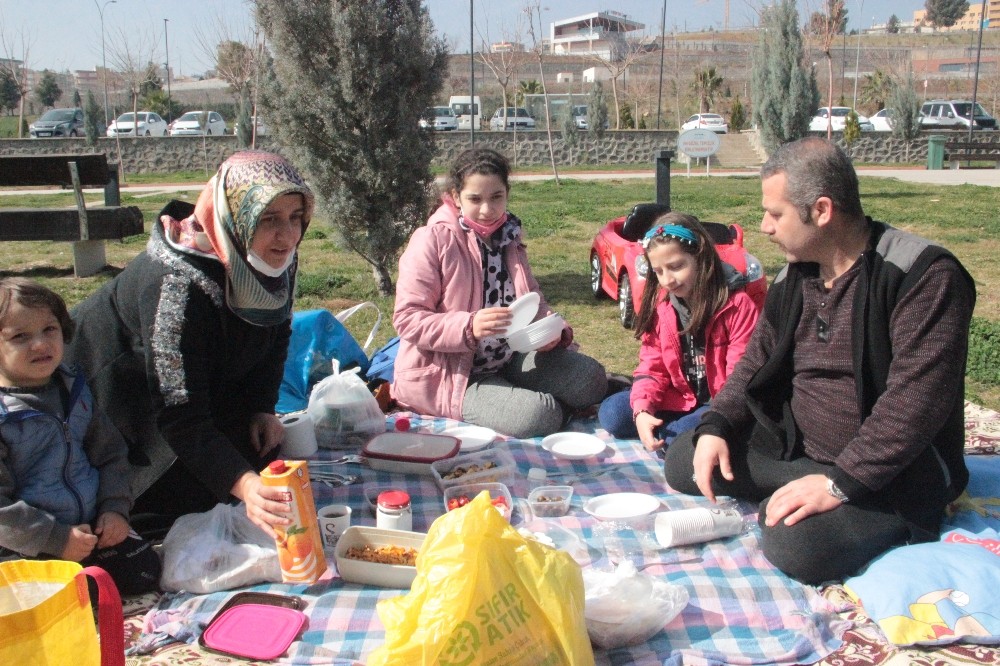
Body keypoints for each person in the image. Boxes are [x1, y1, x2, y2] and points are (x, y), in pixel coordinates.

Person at [663, 137, 976, 585]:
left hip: (892, 470)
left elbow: (915, 404)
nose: (765, 227)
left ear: (822, 210)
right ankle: (802, 484)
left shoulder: (924, 278)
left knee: (795, 544)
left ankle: (841, 501)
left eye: (776, 214)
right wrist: (718, 426)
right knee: (686, 457)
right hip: (801, 448)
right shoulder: (797, 275)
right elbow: (755, 362)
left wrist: (840, 483)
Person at [67, 151, 314, 538]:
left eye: (294, 217)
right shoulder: (174, 284)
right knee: (171, 508)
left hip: (202, 378)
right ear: (237, 217)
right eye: (268, 219)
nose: (287, 235)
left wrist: (263, 407)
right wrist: (246, 486)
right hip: (124, 395)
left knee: (254, 459)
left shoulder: (269, 255)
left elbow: (277, 325)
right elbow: (178, 412)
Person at [393, 147, 607, 438]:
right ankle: (539, 407)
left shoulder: (509, 236)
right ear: (455, 197)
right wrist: (469, 326)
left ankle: (524, 399)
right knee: (538, 416)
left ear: (507, 193)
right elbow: (408, 319)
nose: (487, 209)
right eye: (474, 199)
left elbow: (532, 298)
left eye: (496, 197)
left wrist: (554, 332)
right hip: (453, 375)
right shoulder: (432, 240)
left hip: (508, 357)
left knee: (591, 379)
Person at [0, 278, 160, 594]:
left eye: (49, 329)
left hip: (90, 533)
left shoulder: (72, 389)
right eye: (20, 336)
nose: (41, 344)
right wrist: (56, 539)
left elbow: (111, 454)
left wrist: (114, 509)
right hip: (27, 545)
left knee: (145, 573)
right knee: (56, 607)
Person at [598, 213, 760, 454]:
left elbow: (739, 379)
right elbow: (652, 366)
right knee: (612, 414)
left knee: (678, 440)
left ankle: (677, 434)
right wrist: (642, 410)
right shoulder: (661, 305)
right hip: (677, 397)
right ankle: (669, 430)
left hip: (717, 403)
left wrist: (717, 419)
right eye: (659, 271)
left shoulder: (738, 305)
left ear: (700, 255)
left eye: (676, 267)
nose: (668, 280)